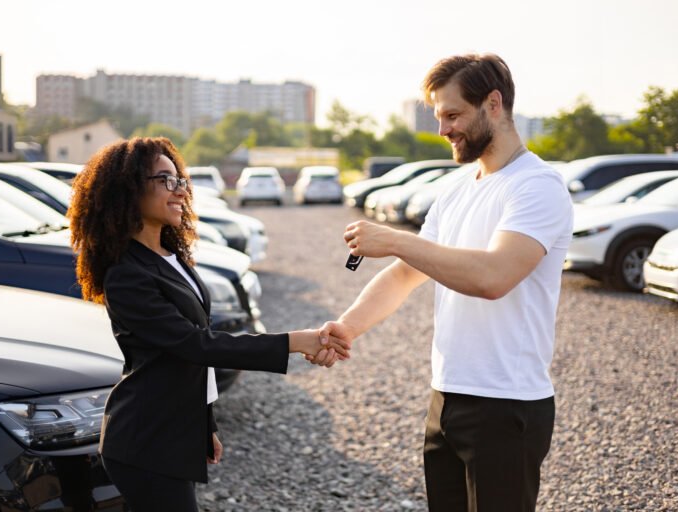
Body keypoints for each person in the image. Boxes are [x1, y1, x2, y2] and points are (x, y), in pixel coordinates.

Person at [312, 54, 573, 511]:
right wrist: (348, 327)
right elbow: (405, 275)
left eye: (452, 115)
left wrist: (396, 240)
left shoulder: (537, 186)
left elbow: (494, 277)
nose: (442, 129)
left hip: (507, 402)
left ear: (493, 104)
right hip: (447, 396)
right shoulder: (455, 190)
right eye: (439, 116)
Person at [69, 137, 349, 511]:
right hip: (143, 439)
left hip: (172, 432)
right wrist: (295, 341)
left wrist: (204, 424)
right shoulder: (127, 274)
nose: (180, 191)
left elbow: (190, 359)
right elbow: (196, 344)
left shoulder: (170, 256)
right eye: (166, 180)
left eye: (181, 180)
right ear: (130, 188)